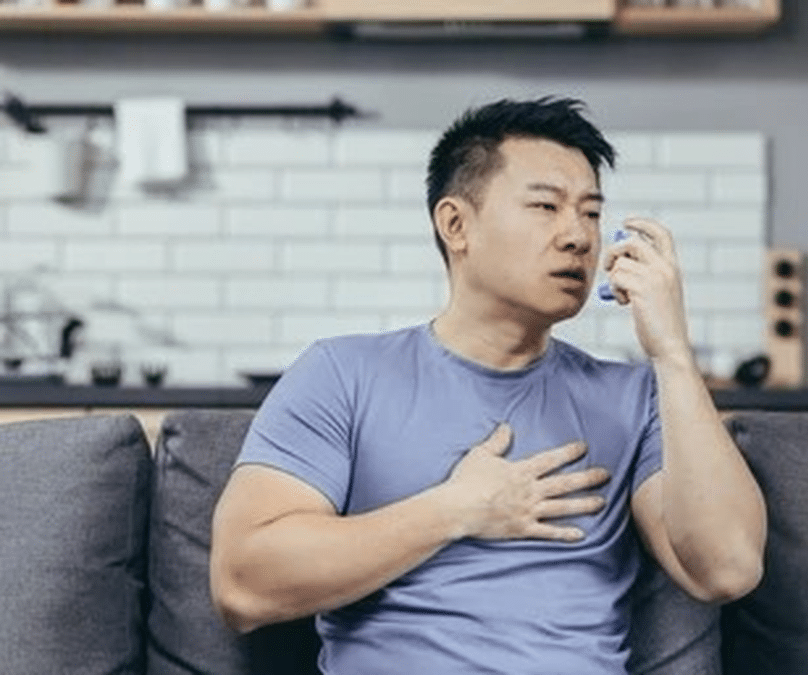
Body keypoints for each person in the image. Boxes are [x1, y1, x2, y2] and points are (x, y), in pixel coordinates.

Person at [210, 97, 767, 674]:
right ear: (456, 225)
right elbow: (242, 586)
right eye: (546, 206)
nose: (578, 236)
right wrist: (455, 510)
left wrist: (672, 354)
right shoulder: (341, 375)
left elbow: (726, 569)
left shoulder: (634, 398)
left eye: (591, 213)